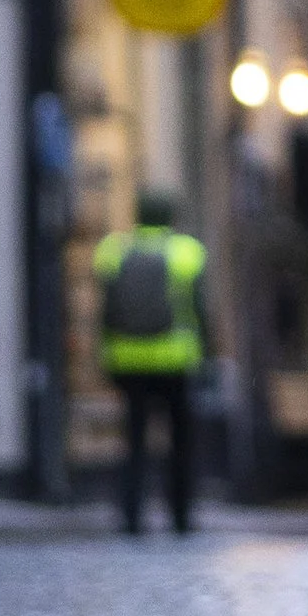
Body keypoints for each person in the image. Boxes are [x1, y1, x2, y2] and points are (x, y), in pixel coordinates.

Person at [93, 195, 210, 535]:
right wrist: (206, 355)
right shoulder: (186, 252)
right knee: (180, 444)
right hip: (176, 361)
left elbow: (106, 311)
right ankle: (181, 519)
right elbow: (199, 311)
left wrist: (107, 356)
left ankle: (131, 517)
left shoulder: (114, 251)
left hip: (129, 361)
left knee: (133, 442)